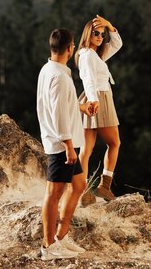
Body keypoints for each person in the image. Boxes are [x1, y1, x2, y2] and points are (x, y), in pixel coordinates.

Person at [36, 28, 95, 261]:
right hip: (61, 144)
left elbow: (59, 106)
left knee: (79, 185)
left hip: (63, 140)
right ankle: (48, 247)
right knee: (54, 193)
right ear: (70, 48)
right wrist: (69, 146)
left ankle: (61, 236)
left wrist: (81, 107)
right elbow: (59, 115)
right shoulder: (59, 77)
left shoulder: (50, 69)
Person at [76, 15, 123, 206]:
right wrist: (95, 101)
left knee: (86, 149)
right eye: (96, 33)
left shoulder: (95, 54)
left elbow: (117, 44)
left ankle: (82, 191)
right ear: (88, 33)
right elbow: (88, 79)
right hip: (99, 98)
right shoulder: (87, 55)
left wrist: (110, 26)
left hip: (95, 97)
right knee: (114, 143)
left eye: (102, 35)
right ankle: (104, 185)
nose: (99, 37)